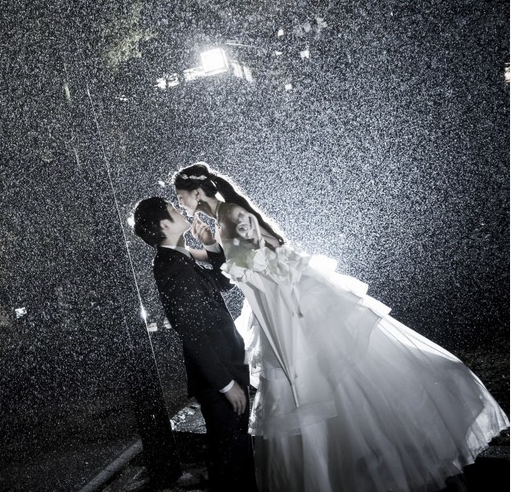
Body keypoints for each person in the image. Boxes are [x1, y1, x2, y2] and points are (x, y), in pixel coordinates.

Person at [173, 162, 509, 492]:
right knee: (303, 381)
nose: (180, 204)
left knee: (323, 375)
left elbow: (274, 245)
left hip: (282, 304)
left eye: (181, 197)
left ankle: (375, 452)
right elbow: (236, 259)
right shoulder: (218, 220)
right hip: (266, 307)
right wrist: (209, 248)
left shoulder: (231, 212)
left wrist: (232, 259)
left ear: (198, 192)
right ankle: (341, 463)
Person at [131, 196, 259, 492]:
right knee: (231, 458)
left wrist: (211, 246)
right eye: (174, 210)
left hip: (227, 364)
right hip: (219, 376)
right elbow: (192, 333)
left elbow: (225, 283)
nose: (180, 210)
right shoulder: (170, 266)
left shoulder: (179, 256)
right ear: (165, 224)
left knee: (235, 451)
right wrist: (226, 384)